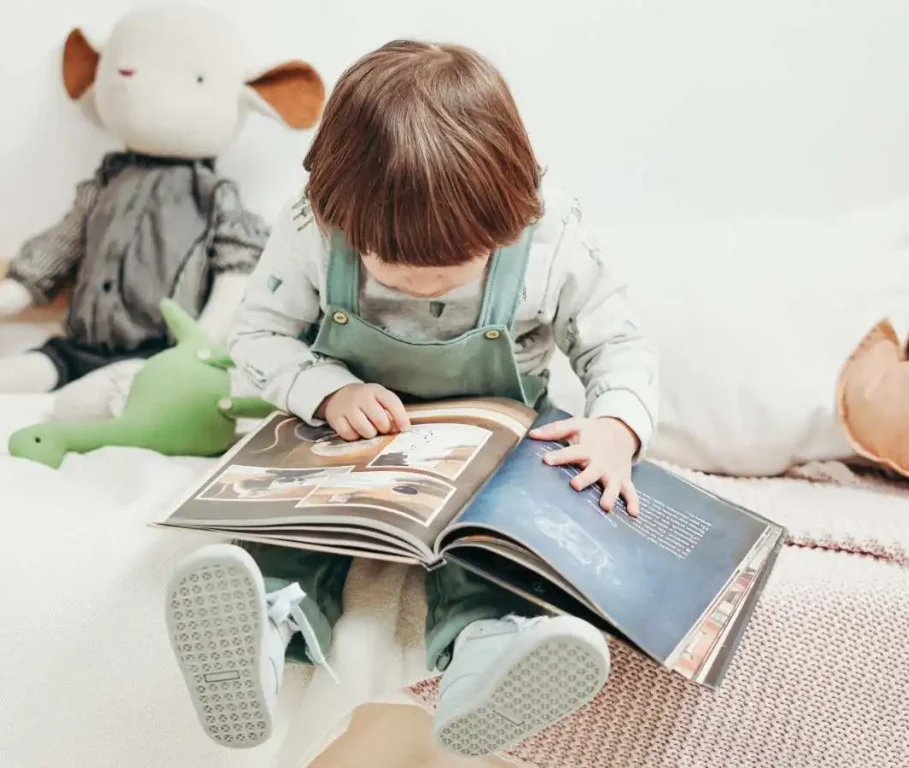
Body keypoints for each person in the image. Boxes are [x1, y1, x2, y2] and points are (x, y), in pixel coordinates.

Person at [165, 39, 658, 757]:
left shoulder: (553, 240)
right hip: (349, 444)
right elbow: (259, 335)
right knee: (296, 533)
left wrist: (616, 425)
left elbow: (620, 344)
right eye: (390, 265)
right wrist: (327, 391)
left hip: (496, 453)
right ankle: (263, 633)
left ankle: (489, 657)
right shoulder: (311, 230)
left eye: (453, 268)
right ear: (337, 212)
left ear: (513, 212)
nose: (422, 285)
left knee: (497, 553)